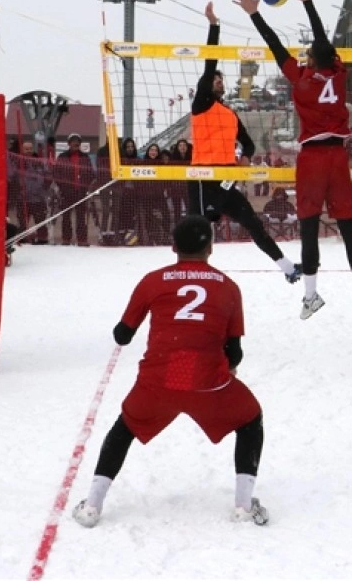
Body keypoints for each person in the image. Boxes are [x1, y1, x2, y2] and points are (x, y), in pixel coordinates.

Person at [72, 215, 270, 528]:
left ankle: (92, 505)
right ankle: (244, 506)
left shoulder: (153, 280)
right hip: (208, 381)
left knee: (124, 428)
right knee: (250, 420)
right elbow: (235, 352)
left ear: (173, 246)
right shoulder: (229, 287)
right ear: (211, 249)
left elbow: (122, 335)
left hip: (159, 379)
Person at [234, 0, 352, 324]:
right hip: (339, 157)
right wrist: (307, 1)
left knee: (309, 225)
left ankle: (310, 295)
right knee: (348, 228)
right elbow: (323, 39)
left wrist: (254, 13)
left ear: (312, 60)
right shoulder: (339, 75)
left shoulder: (301, 78)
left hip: (312, 158)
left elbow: (275, 47)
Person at [189, 2, 300, 284]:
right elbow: (210, 62)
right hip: (204, 176)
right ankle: (193, 276)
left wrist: (245, 158)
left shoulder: (229, 114)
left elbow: (249, 145)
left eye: (219, 80)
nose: (217, 81)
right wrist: (214, 26)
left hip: (227, 178)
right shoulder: (202, 105)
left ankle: (288, 268)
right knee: (200, 230)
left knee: (253, 223)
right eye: (213, 79)